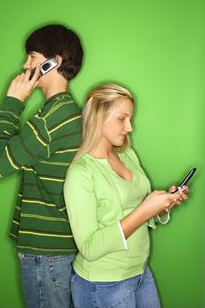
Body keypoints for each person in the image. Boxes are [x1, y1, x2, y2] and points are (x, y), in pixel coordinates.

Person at [0, 24, 83, 308]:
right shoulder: (64, 112)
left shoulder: (50, 120)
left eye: (32, 57)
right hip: (60, 249)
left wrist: (12, 103)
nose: (25, 65)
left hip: (47, 254)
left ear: (55, 62)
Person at [64, 83, 189, 308]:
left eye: (130, 119)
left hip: (140, 271)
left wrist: (162, 205)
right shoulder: (80, 172)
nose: (129, 127)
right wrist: (146, 210)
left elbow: (134, 210)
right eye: (122, 119)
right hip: (103, 284)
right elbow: (89, 247)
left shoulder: (127, 154)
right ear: (100, 116)